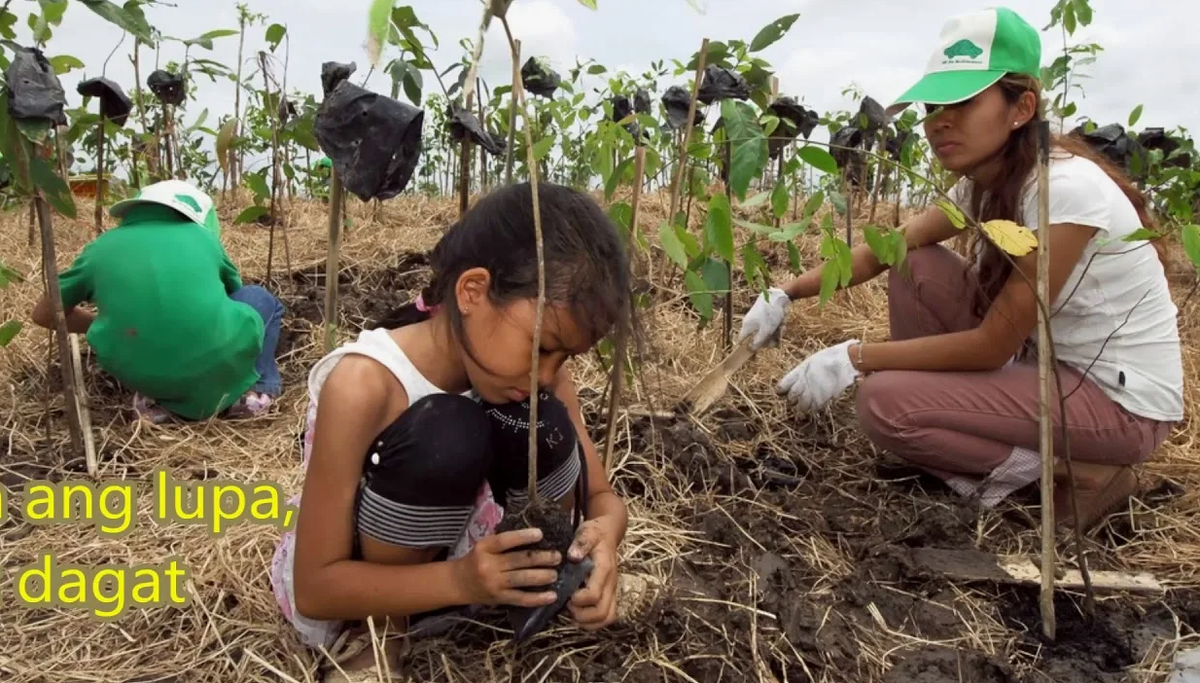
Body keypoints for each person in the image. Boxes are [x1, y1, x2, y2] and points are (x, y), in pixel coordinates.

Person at [738, 6, 1183, 532]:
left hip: (1115, 401)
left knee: (885, 405)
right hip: (1048, 368)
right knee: (914, 264)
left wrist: (852, 357)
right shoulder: (983, 184)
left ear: (1022, 108)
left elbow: (994, 345)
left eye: (964, 101)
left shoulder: (1064, 192)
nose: (938, 120)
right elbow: (891, 247)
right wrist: (786, 292)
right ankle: (963, 447)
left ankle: (1081, 471)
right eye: (933, 105)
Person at [268, 182, 637, 679]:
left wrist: (604, 540)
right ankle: (380, 636)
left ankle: (537, 594)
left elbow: (601, 496)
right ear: (472, 292)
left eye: (564, 357)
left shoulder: (537, 382)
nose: (547, 375)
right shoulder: (365, 385)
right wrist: (463, 580)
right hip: (371, 595)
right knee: (447, 435)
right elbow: (316, 587)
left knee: (542, 421)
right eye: (541, 348)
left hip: (487, 583)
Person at [31, 179, 284, 423]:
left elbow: (43, 314)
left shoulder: (99, 248)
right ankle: (255, 392)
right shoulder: (205, 240)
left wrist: (104, 324)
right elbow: (232, 296)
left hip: (141, 373)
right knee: (259, 299)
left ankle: (158, 402)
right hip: (214, 359)